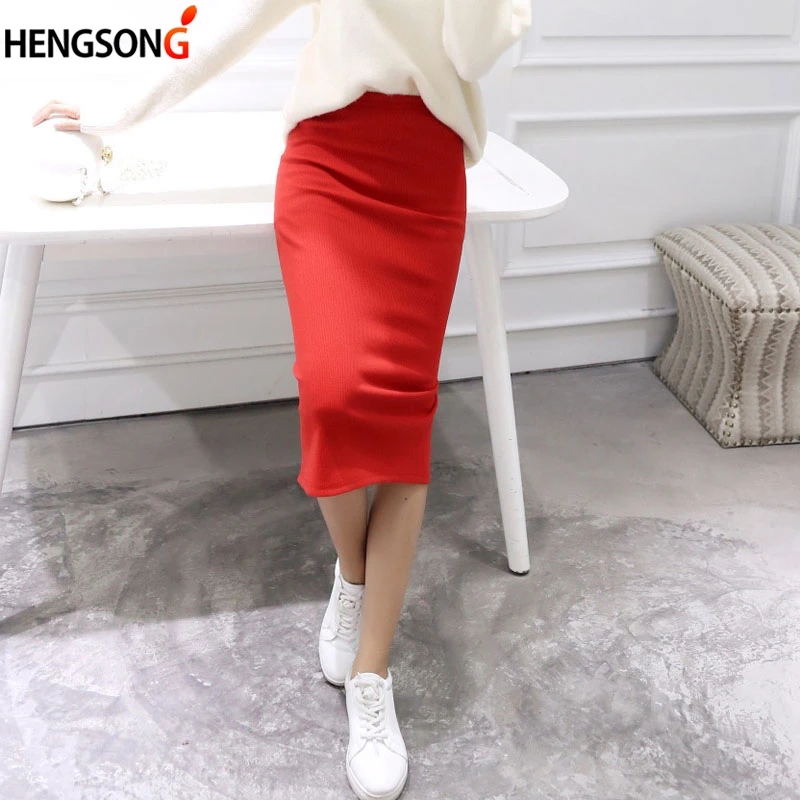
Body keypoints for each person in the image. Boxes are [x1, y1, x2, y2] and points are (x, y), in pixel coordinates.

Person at [31, 2, 532, 798]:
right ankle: (355, 576)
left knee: (403, 418)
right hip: (329, 165)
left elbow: (471, 54)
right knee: (331, 399)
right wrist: (114, 109)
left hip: (426, 170)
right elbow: (227, 22)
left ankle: (371, 675)